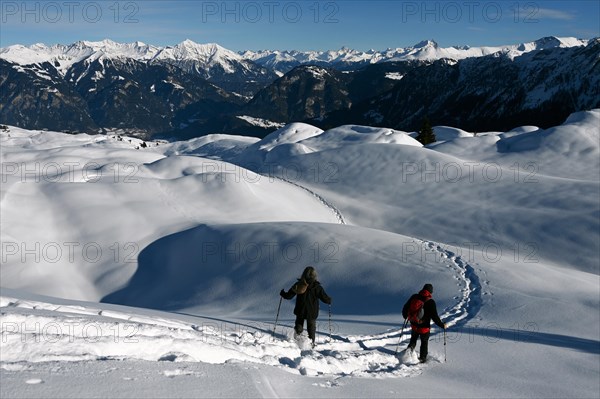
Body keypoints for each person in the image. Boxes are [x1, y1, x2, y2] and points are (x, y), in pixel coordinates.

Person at [280, 266, 331, 347]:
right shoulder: (317, 287)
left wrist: (283, 294)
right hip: (312, 312)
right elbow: (325, 298)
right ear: (314, 275)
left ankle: (297, 342)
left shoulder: (299, 284)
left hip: (300, 310)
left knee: (299, 326)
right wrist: (329, 300)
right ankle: (311, 344)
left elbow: (289, 296)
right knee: (311, 328)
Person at [402, 283, 446, 363]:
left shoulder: (414, 297)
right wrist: (442, 325)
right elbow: (435, 317)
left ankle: (408, 354)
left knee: (413, 339)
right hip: (424, 327)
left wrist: (406, 316)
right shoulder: (430, 302)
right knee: (424, 342)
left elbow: (405, 307)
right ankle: (422, 358)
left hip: (414, 324)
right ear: (430, 292)